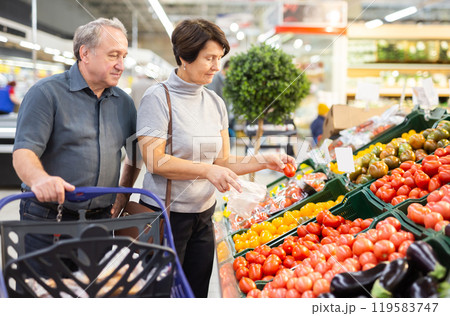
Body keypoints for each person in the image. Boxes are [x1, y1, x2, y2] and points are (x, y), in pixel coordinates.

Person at [136, 18, 296, 297]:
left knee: (196, 293)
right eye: (209, 58)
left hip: (204, 215)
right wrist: (206, 171)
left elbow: (221, 162)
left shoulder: (214, 103)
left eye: (219, 58)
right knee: (160, 296)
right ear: (185, 56)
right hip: (166, 217)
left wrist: (264, 160)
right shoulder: (158, 98)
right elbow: (154, 161)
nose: (216, 66)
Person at [12, 18, 140, 255]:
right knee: (43, 289)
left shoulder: (124, 103)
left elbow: (134, 155)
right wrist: (39, 179)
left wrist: (124, 193)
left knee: (90, 289)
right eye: (113, 55)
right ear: (85, 53)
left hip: (100, 221)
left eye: (123, 56)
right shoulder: (46, 94)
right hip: (47, 218)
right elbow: (24, 152)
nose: (121, 65)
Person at [206, 60, 236, 139]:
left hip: (231, 117)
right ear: (226, 68)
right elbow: (212, 99)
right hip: (220, 119)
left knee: (230, 142)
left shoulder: (230, 81)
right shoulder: (215, 80)